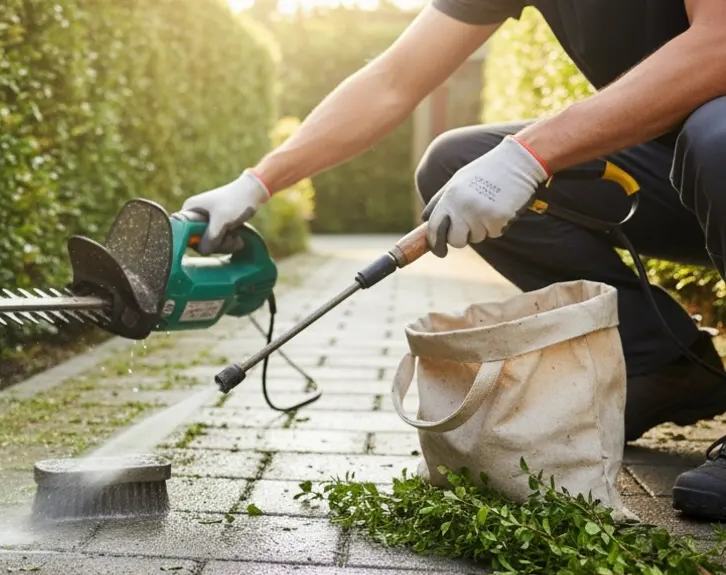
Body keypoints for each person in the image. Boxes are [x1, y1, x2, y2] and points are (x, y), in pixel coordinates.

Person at [183, 1, 726, 518]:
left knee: (716, 135)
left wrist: (530, 154)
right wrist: (259, 182)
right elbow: (394, 79)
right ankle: (666, 366)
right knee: (454, 165)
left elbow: (717, 44)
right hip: (676, 170)